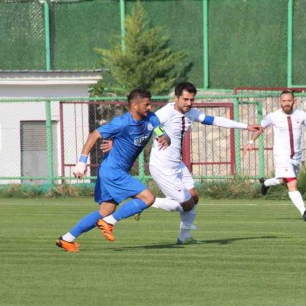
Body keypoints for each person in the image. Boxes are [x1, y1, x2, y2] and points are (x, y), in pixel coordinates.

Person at [101, 82, 261, 244]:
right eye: (185, 99)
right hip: (162, 166)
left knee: (194, 198)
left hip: (177, 164)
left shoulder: (190, 112)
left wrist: (245, 126)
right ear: (176, 98)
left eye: (192, 100)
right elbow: (139, 125)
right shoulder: (165, 113)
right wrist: (115, 140)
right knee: (187, 204)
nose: (189, 103)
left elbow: (213, 120)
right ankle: (144, 203)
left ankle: (184, 238)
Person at [56, 87, 170, 252]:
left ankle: (67, 239)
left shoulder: (151, 118)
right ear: (135, 106)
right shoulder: (121, 123)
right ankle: (109, 222)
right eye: (146, 104)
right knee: (148, 198)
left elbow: (161, 132)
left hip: (113, 171)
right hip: (113, 171)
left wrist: (165, 138)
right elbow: (94, 135)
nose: (150, 107)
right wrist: (82, 162)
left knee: (106, 210)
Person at [247, 90, 306, 221]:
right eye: (284, 101)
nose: (286, 103)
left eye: (289, 101)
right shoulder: (273, 116)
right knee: (292, 183)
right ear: (280, 102)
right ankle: (304, 212)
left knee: (283, 181)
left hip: (296, 156)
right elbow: (260, 128)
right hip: (281, 155)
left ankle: (265, 183)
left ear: (294, 101)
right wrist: (251, 141)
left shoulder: (301, 115)